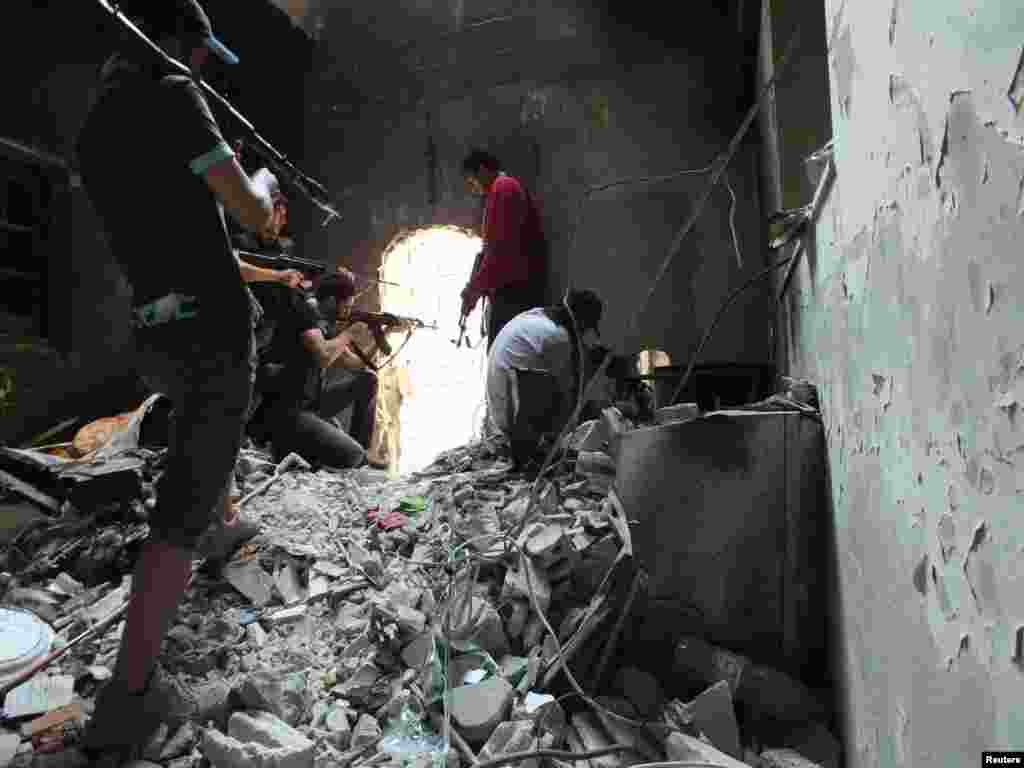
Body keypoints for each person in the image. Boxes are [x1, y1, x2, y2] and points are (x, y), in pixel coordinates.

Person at [74, 0, 278, 759]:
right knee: (189, 483)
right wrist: (261, 182)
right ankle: (131, 690)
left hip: (155, 321)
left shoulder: (97, 122)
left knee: (205, 424)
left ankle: (220, 525)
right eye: (198, 52)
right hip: (210, 319)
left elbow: (170, 214)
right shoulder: (173, 93)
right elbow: (250, 211)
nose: (201, 65)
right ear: (173, 42)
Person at [247, 269, 387, 470]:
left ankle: (361, 451)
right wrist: (349, 334)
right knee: (351, 455)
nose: (348, 312)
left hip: (312, 403)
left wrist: (382, 338)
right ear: (331, 301)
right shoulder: (304, 313)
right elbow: (323, 356)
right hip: (288, 409)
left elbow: (355, 364)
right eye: (346, 306)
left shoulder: (325, 322)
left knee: (368, 379)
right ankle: (343, 455)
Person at [484, 289, 603, 449]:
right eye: (584, 330)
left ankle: (528, 444)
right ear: (580, 322)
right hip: (512, 416)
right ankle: (528, 450)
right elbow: (568, 390)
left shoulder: (538, 316)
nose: (582, 336)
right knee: (562, 394)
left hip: (500, 407)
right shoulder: (557, 336)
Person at [460, 149, 548, 349]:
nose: (474, 189)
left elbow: (499, 250)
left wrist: (473, 290)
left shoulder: (503, 188)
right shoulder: (502, 189)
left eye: (472, 182)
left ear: (482, 169)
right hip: (513, 287)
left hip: (514, 291)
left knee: (504, 358)